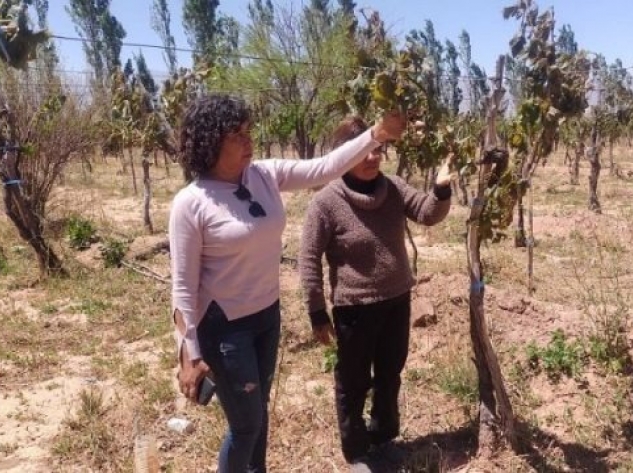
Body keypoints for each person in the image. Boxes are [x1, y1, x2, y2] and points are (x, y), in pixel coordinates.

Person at [169, 95, 405, 473]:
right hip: (226, 329)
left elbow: (325, 167)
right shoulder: (191, 203)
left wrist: (376, 135)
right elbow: (182, 287)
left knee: (258, 416)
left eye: (249, 133)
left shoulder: (263, 175)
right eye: (238, 136)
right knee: (246, 427)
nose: (249, 142)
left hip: (266, 317)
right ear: (210, 141)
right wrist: (189, 354)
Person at [297, 116, 453, 472]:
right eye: (364, 151)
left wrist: (441, 190)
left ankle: (384, 438)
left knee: (389, 373)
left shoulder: (394, 188)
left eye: (377, 150)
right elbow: (308, 259)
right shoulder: (326, 202)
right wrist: (316, 311)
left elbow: (428, 214)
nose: (372, 158)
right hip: (354, 309)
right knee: (353, 382)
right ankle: (357, 452)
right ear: (345, 155)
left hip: (397, 301)